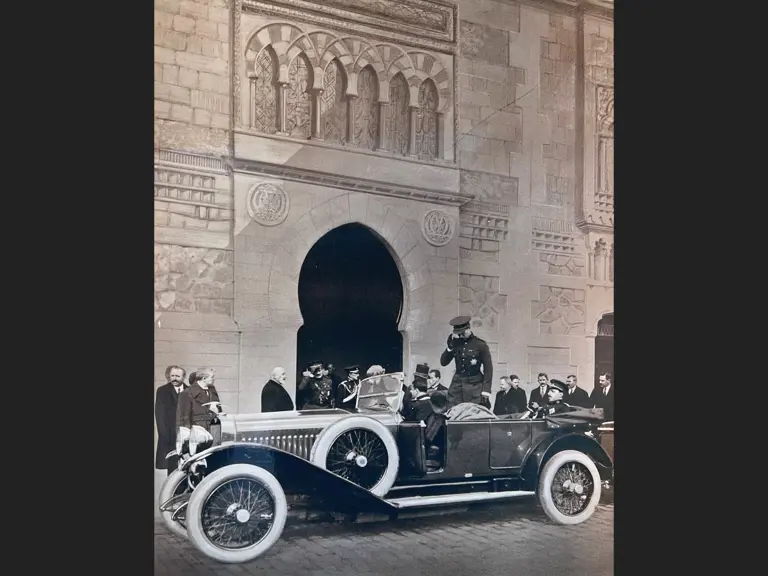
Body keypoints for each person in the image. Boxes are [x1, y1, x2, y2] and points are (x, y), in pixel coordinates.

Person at [439, 316, 493, 409]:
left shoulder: (480, 345)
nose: (460, 336)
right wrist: (450, 347)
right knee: (453, 412)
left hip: (474, 386)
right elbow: (443, 362)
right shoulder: (456, 343)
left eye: (462, 333)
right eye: (458, 334)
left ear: (468, 329)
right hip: (457, 386)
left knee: (473, 414)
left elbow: (488, 369)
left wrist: (486, 390)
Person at [176, 367, 222, 455]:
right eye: (212, 377)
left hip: (214, 430)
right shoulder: (187, 393)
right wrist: (186, 442)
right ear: (204, 379)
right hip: (197, 434)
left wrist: (217, 410)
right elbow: (183, 420)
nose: (214, 379)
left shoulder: (212, 390)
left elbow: (219, 410)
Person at [155, 365, 188, 475]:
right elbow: (159, 414)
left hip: (186, 434)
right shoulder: (162, 391)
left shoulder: (189, 391)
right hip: (170, 435)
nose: (174, 378)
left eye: (177, 376)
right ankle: (173, 491)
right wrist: (164, 435)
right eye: (172, 375)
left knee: (187, 465)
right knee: (172, 467)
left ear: (183, 377)